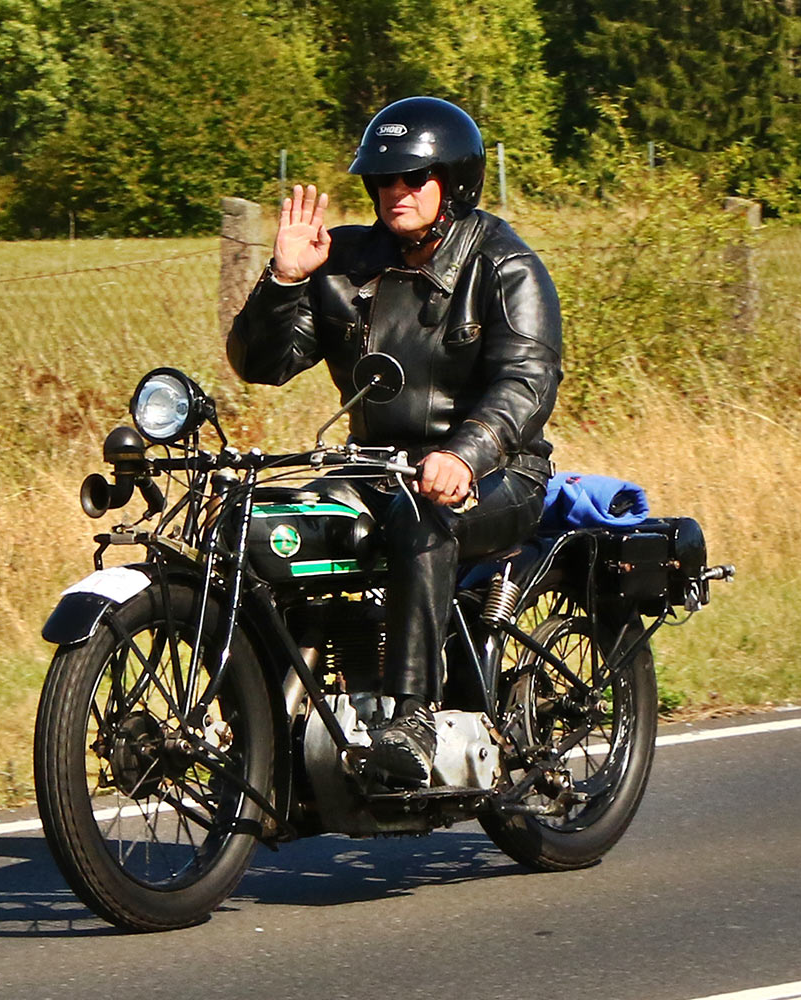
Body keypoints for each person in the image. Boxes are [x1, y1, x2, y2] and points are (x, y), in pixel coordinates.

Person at [227, 96, 562, 786]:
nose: (395, 192)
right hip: (374, 470)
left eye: (413, 178)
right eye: (384, 180)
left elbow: (526, 381)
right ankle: (258, 723)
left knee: (421, 518)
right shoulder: (346, 261)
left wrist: (463, 455)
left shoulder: (504, 266)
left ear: (455, 182)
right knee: (261, 529)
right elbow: (264, 364)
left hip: (497, 474)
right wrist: (286, 278)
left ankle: (412, 718)